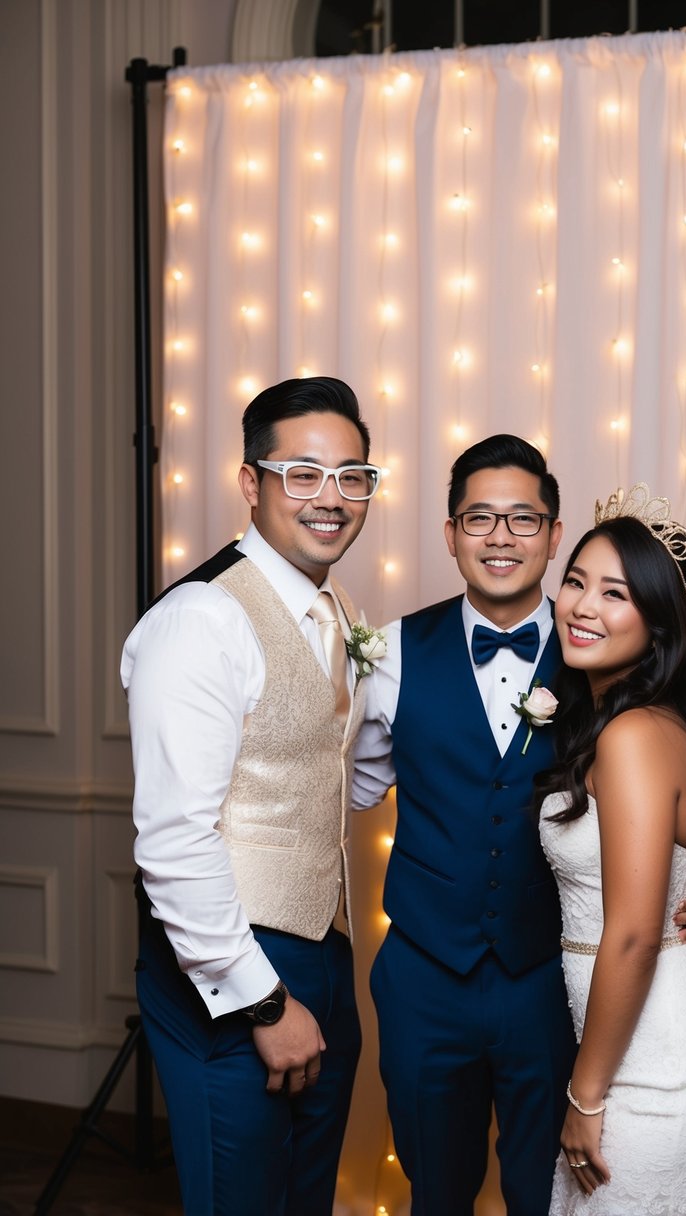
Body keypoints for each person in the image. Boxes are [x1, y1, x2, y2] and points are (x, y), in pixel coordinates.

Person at [353, 438, 686, 1216]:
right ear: (449, 534)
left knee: (549, 1194)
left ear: (554, 536)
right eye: (478, 517)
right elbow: (337, 790)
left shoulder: (601, 658)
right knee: (434, 1192)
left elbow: (657, 805)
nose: (501, 536)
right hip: (423, 979)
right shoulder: (385, 654)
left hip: (549, 988)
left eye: (524, 518)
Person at [121, 377, 381, 1215]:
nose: (331, 498)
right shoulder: (202, 618)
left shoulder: (338, 612)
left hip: (325, 952)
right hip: (230, 970)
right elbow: (173, 842)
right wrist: (263, 999)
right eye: (302, 473)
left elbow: (350, 770)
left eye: (352, 476)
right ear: (250, 483)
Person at [537, 485, 686, 1214]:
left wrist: (584, 1094)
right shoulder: (643, 724)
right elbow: (666, 881)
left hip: (656, 1070)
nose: (581, 606)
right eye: (574, 583)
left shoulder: (630, 737)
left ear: (657, 625)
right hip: (657, 1047)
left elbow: (631, 933)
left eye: (614, 594)